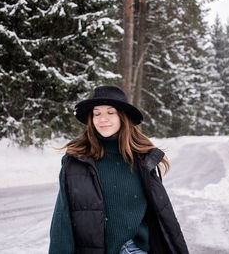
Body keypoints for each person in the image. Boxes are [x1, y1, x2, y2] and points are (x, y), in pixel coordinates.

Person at [49, 85, 189, 254]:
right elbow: (62, 222)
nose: (102, 119)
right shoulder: (77, 161)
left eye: (110, 112)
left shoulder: (142, 159)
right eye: (97, 113)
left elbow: (164, 216)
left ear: (123, 117)